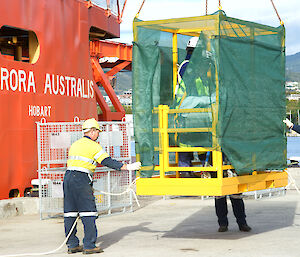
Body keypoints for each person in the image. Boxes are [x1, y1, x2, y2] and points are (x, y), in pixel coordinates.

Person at [175, 36, 251, 233]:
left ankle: (240, 222)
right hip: (193, 110)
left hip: (211, 130)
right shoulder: (187, 67)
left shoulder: (199, 70)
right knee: (220, 193)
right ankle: (224, 224)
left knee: (234, 194)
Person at [63, 118, 141, 254]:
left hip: (68, 178)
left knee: (70, 212)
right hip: (81, 179)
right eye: (98, 131)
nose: (98, 134)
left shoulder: (75, 144)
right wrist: (127, 167)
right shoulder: (94, 146)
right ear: (92, 131)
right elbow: (107, 161)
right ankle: (89, 245)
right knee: (88, 212)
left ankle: (72, 245)